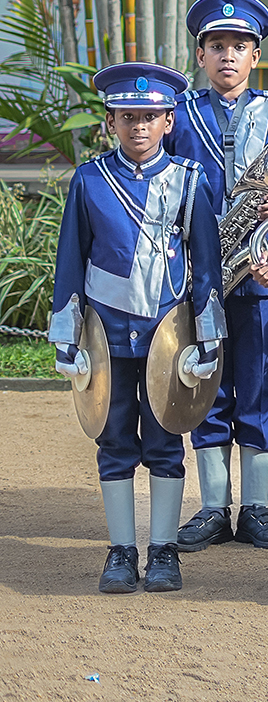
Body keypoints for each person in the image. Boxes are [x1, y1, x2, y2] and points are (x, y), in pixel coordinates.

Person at [52, 63, 221, 594]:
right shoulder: (89, 180)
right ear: (111, 122)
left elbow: (207, 270)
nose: (139, 127)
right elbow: (70, 264)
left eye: (150, 117)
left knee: (167, 440)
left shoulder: (190, 181)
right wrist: (66, 338)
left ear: (169, 121)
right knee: (114, 439)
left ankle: (164, 550)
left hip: (167, 337)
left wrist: (208, 339)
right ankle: (122, 550)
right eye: (128, 117)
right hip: (105, 333)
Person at [166, 0, 268, 552]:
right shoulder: (178, 114)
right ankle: (215, 505)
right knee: (206, 382)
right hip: (201, 275)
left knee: (261, 384)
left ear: (256, 55)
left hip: (263, 272)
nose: (227, 56)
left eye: (239, 46)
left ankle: (259, 507)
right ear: (200, 55)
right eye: (216, 46)